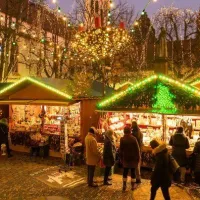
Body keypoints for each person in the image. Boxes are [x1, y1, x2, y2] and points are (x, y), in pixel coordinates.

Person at [119, 126, 140, 191]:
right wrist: (138, 157)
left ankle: (124, 185)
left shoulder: (122, 139)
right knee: (133, 172)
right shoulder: (134, 139)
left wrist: (121, 158)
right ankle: (133, 186)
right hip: (133, 158)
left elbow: (121, 150)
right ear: (130, 131)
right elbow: (137, 149)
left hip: (125, 158)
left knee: (125, 172)